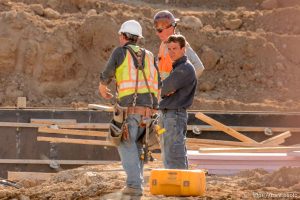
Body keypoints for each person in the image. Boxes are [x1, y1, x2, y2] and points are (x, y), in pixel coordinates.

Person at [98, 20, 159, 196]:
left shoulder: (120, 52)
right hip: (148, 111)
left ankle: (134, 185)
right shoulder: (149, 55)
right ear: (137, 38)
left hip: (129, 111)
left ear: (124, 36)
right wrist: (154, 107)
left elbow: (107, 73)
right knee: (137, 147)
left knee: (125, 144)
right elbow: (158, 83)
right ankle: (136, 184)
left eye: (120, 35)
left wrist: (103, 88)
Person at [159, 34, 197, 169]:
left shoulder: (185, 68)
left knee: (174, 152)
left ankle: (178, 184)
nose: (171, 52)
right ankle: (175, 183)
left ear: (183, 49)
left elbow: (163, 89)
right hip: (170, 115)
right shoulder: (177, 68)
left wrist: (165, 90)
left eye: (174, 48)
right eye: (169, 49)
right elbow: (166, 90)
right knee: (170, 152)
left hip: (174, 115)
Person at [153, 10, 205, 80]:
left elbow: (199, 67)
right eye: (156, 30)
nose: (157, 33)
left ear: (170, 28)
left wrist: (182, 83)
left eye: (159, 30)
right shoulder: (164, 44)